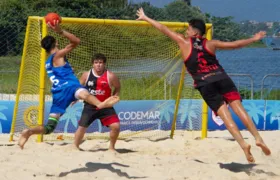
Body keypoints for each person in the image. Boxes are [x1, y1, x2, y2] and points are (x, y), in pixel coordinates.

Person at [136, 8, 271, 163]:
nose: (186, 32)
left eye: (188, 29)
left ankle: (243, 144)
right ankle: (258, 138)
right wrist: (254, 39)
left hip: (205, 83)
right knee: (239, 109)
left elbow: (163, 29)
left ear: (195, 33)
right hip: (221, 78)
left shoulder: (183, 42)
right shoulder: (211, 44)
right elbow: (234, 45)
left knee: (225, 116)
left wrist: (146, 17)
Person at [18, 21, 119, 149]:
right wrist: (60, 30)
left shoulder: (47, 62)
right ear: (56, 43)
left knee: (49, 127)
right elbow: (76, 41)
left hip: (58, 94)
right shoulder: (58, 55)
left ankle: (29, 132)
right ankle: (100, 104)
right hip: (69, 87)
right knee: (85, 93)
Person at [73, 53, 120, 152]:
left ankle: (111, 148)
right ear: (92, 64)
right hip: (90, 106)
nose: (98, 65)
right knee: (82, 128)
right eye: (96, 62)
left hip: (106, 106)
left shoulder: (111, 75)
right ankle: (75, 147)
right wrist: (75, 98)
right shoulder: (86, 75)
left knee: (116, 126)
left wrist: (115, 96)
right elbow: (78, 88)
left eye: (100, 62)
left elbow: (118, 86)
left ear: (104, 64)